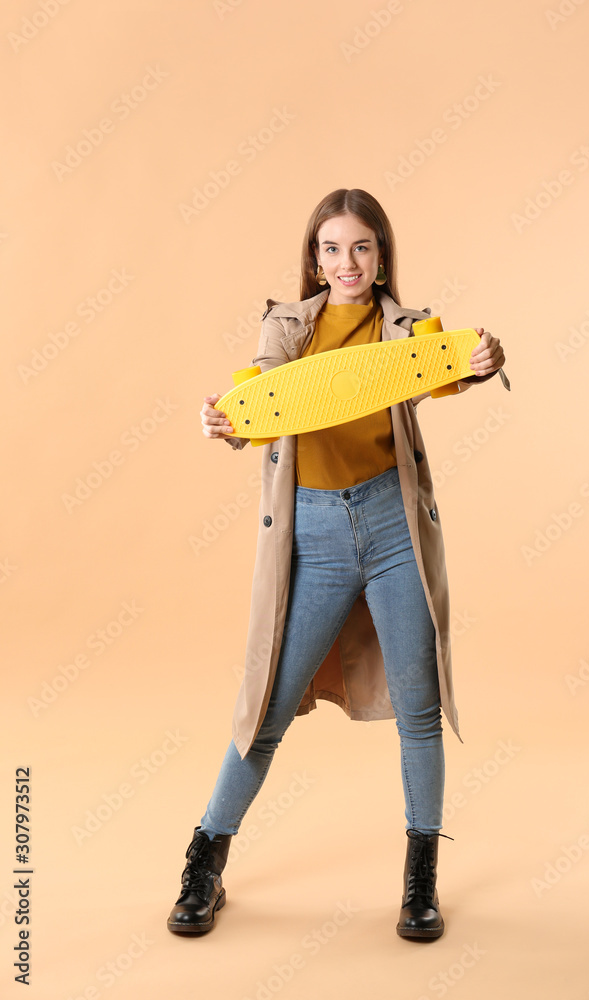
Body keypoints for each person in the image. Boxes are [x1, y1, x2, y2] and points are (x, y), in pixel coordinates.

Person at [167, 188, 507, 941]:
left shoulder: (408, 330)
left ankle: (420, 882)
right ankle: (205, 862)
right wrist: (222, 419)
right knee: (264, 711)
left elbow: (448, 369)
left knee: (418, 713)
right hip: (314, 534)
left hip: (392, 528)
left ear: (380, 253)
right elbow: (258, 399)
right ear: (313, 259)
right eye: (330, 248)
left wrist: (485, 360)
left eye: (359, 246)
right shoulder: (287, 326)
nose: (345, 262)